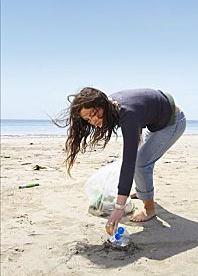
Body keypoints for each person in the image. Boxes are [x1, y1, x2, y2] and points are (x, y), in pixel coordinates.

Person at [56, 87, 186, 233]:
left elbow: (129, 163)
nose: (94, 121)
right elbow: (140, 112)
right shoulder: (113, 107)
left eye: (94, 113)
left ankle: (149, 209)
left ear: (102, 104)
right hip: (153, 117)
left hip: (172, 122)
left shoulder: (127, 114)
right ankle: (143, 191)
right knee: (139, 159)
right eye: (88, 119)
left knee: (140, 164)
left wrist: (119, 208)